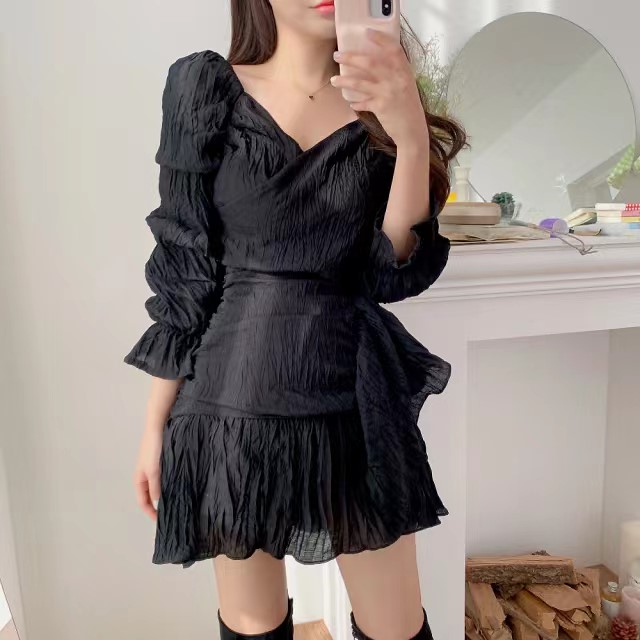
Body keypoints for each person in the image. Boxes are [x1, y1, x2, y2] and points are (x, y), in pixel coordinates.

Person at [123, 1, 466, 639]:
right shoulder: (206, 89)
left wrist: (411, 135)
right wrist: (152, 428)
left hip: (356, 405)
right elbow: (183, 267)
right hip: (230, 406)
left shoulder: (383, 107)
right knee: (253, 627)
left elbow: (390, 274)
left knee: (397, 629)